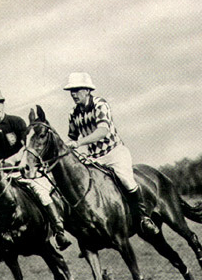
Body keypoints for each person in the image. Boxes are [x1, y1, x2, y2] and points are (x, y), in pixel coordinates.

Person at [0, 87, 72, 269]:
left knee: (41, 191)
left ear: (3, 104)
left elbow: (27, 147)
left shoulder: (16, 122)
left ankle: (59, 231)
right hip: (5, 177)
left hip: (24, 170)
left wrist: (12, 161)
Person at [63, 72, 159, 237]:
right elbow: (72, 137)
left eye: (77, 89)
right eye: (71, 90)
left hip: (114, 153)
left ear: (87, 90)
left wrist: (79, 143)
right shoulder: (73, 113)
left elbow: (102, 131)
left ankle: (144, 218)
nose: (73, 94)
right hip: (94, 158)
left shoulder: (100, 104)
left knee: (126, 179)